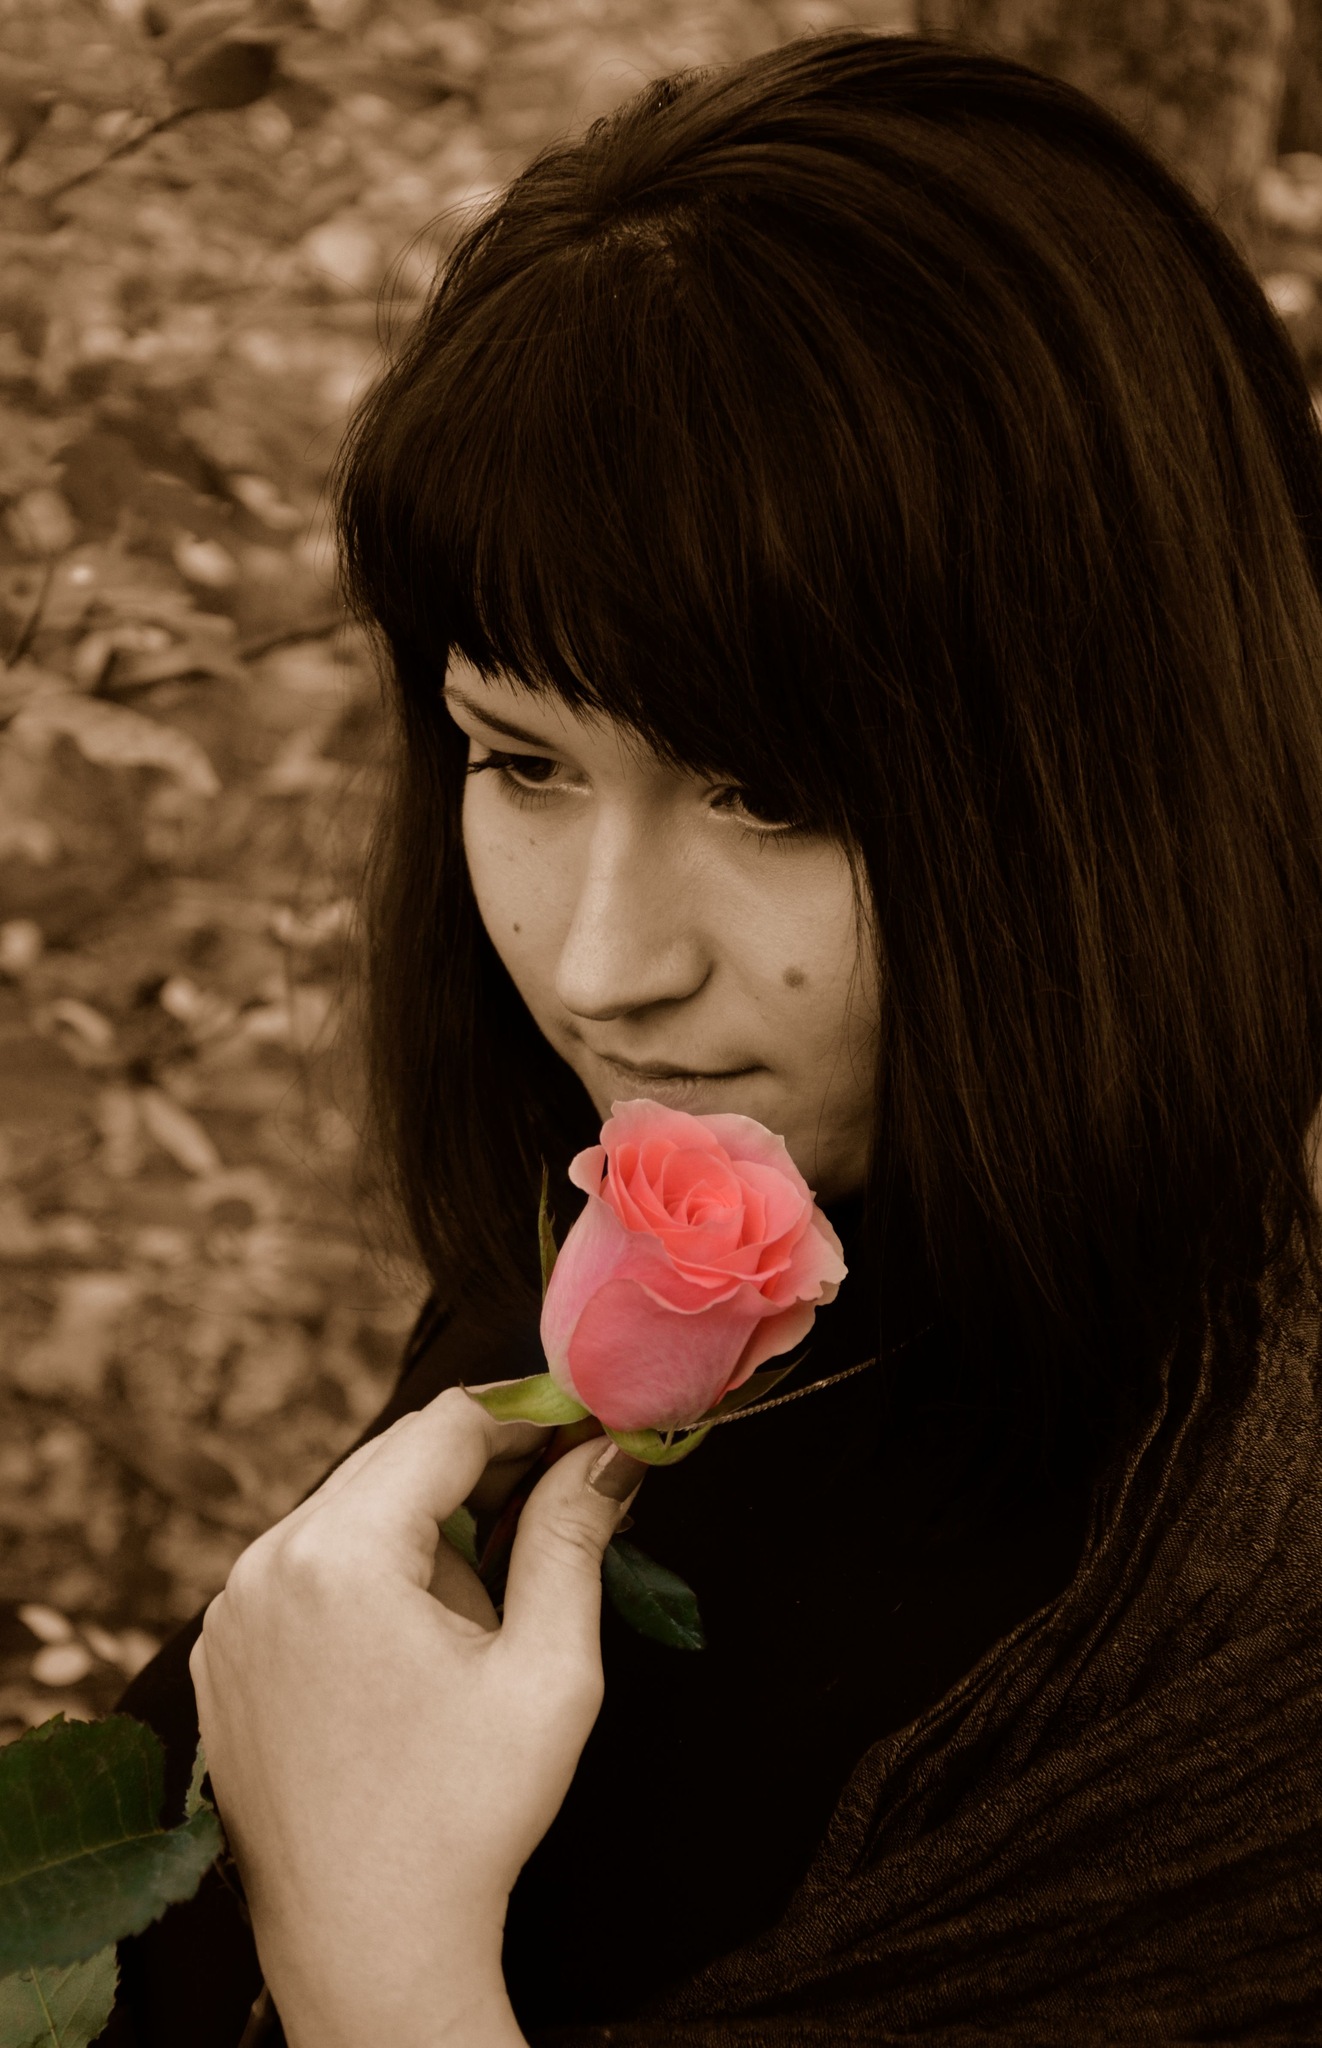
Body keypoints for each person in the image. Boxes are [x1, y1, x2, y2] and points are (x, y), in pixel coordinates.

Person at [102, 26, 1322, 2044]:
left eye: (774, 795)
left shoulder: (1228, 1669)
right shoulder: (599, 1290)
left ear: (1124, 773)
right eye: (521, 760)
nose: (602, 967)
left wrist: (374, 1960)